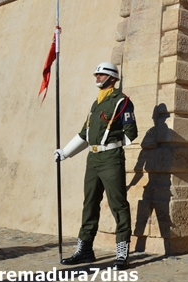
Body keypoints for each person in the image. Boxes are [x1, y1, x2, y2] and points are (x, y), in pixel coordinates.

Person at [54, 62, 138, 270]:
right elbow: (85, 134)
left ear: (111, 78)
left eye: (101, 75)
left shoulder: (122, 101)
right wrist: (65, 152)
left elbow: (131, 132)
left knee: (118, 205)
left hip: (110, 159)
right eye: (97, 75)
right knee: (90, 203)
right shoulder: (96, 104)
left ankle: (122, 252)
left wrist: (112, 146)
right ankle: (85, 249)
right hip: (92, 160)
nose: (97, 78)